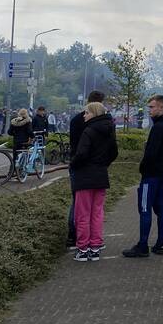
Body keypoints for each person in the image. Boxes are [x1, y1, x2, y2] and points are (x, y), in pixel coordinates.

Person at [123, 94, 163, 258]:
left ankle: (143, 245)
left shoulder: (158, 128)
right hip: (162, 174)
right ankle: (160, 244)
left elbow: (151, 153)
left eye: (152, 107)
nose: (149, 111)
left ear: (160, 107)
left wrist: (143, 168)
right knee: (161, 208)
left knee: (145, 209)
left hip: (151, 175)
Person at [70, 101, 118, 262]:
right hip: (101, 177)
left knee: (82, 215)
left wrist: (73, 164)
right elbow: (114, 152)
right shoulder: (109, 130)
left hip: (84, 177)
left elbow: (81, 154)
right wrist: (103, 164)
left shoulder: (88, 131)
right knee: (97, 214)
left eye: (86, 112)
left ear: (94, 113)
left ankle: (82, 249)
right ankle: (95, 247)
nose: (84, 115)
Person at [67, 91, 105, 249]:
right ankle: (93, 242)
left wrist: (73, 163)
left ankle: (75, 238)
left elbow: (75, 147)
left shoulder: (76, 120)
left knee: (79, 205)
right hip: (96, 169)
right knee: (95, 210)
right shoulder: (103, 125)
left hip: (80, 167)